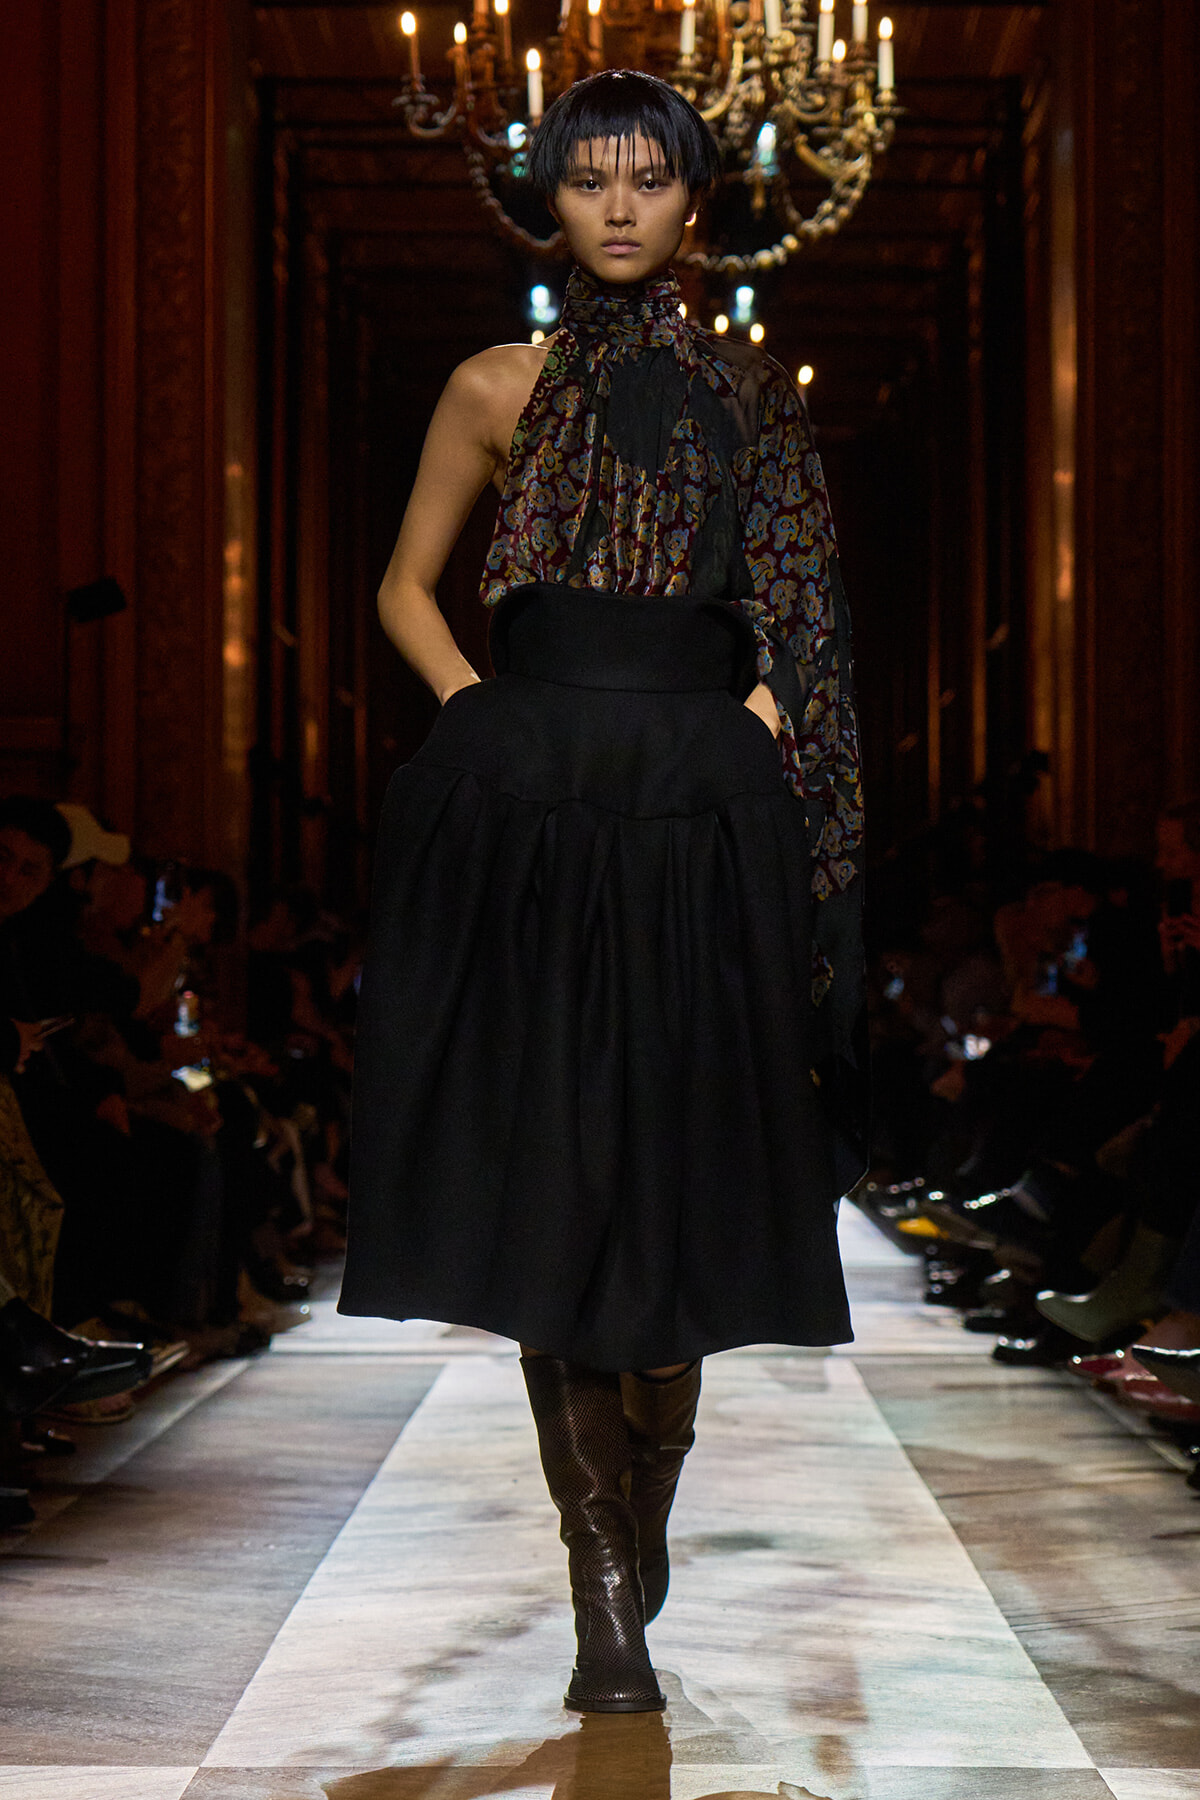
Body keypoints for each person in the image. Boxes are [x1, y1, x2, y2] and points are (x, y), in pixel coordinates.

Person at [339, 70, 866, 1713]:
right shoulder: (496, 382)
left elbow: (805, 625)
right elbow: (406, 588)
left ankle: (640, 1526)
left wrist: (745, 740)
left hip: (696, 811)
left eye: (650, 179)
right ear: (548, 202)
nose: (621, 207)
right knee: (558, 1184)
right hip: (528, 811)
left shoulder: (752, 401)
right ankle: (602, 1594)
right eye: (591, 180)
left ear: (694, 203)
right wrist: (470, 710)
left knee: (690, 1183)